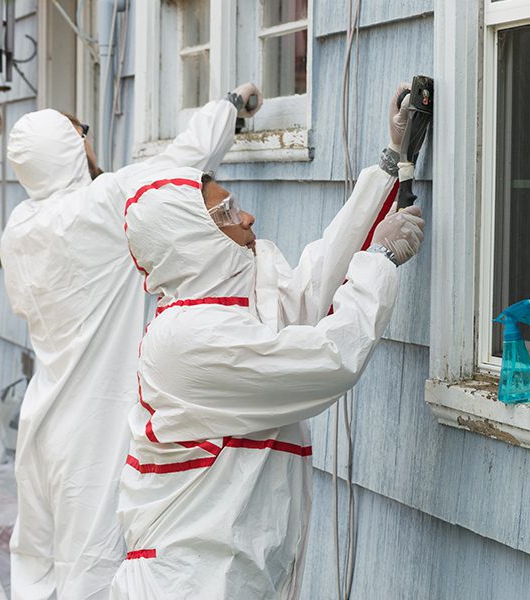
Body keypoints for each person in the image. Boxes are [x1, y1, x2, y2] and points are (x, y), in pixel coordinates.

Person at [109, 85, 424, 599]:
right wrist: (380, 262)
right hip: (186, 583)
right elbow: (325, 360)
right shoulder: (186, 342)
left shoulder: (227, 309)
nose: (247, 216)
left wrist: (389, 164)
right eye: (227, 211)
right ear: (192, 238)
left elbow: (311, 286)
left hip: (226, 576)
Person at [0, 82, 263, 599]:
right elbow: (181, 161)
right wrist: (230, 107)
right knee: (91, 572)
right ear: (72, 148)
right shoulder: (101, 206)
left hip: (39, 426)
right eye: (82, 134)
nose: (91, 142)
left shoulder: (19, 228)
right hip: (92, 433)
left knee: (35, 567)